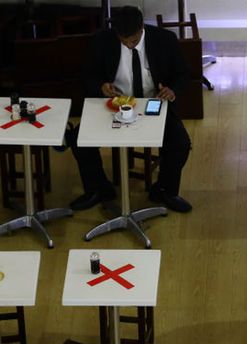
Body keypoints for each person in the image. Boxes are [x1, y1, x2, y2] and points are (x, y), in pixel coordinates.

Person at [67, 5, 193, 213]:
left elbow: (183, 73)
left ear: (142, 28)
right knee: (78, 140)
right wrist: (101, 86)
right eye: (123, 41)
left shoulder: (165, 39)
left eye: (133, 41)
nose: (128, 45)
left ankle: (165, 190)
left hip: (153, 102)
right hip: (115, 103)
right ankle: (99, 188)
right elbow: (87, 75)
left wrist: (172, 90)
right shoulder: (101, 41)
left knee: (180, 143)